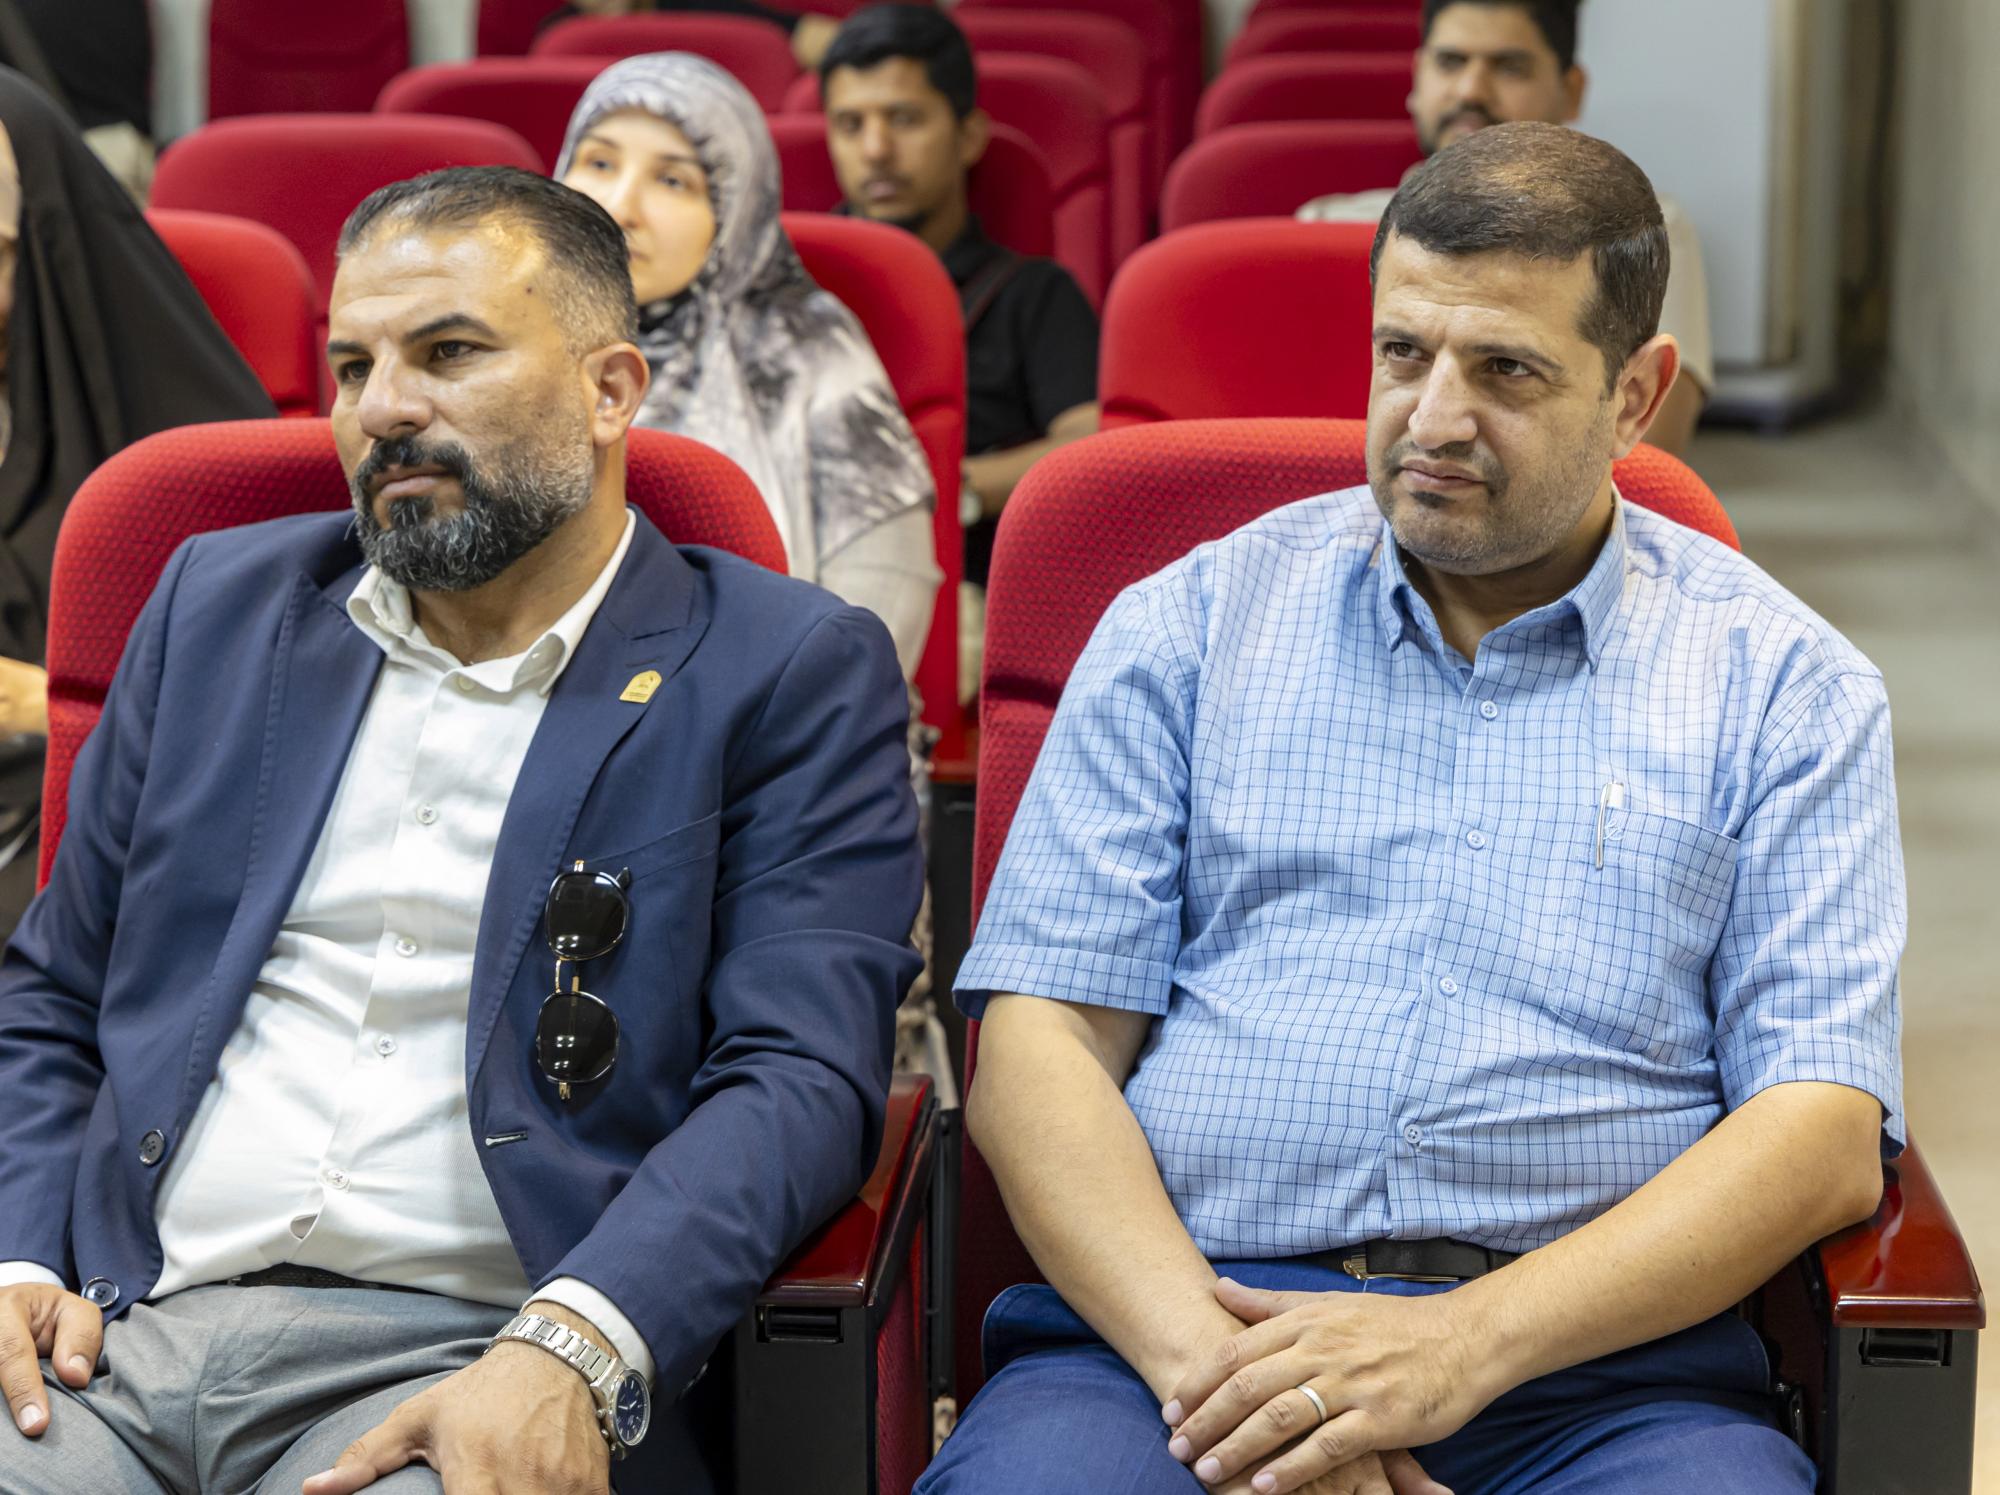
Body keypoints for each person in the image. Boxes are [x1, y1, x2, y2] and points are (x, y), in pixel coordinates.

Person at [928, 123, 1899, 1495]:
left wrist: (1457, 1346)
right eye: (1402, 353)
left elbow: (1819, 1129)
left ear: (1634, 394)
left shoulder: (1786, 685)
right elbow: (1039, 1048)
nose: (1432, 417)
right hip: (1184, 1334)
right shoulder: (1187, 625)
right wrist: (1251, 1397)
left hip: (1599, 1375)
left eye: (1505, 369)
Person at [0, 165, 923, 1494]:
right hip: (118, 1328)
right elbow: (52, 995)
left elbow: (801, 1076)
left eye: (447, 353)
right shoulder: (216, 608)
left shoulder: (780, 666)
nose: (383, 408)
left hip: (471, 1355)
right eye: (351, 365)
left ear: (610, 391)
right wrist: (19, 1255)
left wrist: (572, 1340)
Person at [557, 52, 940, 681]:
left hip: (771, 715)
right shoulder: (503, 336)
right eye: (598, 163)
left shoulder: (808, 346)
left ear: (733, 212)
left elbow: (876, 609)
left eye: (672, 181)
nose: (618, 206)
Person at [0, 68, 272, 929]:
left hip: (98, 834)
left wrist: (51, 706)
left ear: (40, 248)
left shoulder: (181, 456)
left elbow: (265, 704)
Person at [1297, 0, 1714, 457]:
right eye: (1450, 62)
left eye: (1510, 67)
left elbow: (1647, 455)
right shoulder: (1321, 224)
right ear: (1417, 78)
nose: (1470, 90)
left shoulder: (1635, 231)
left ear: (1571, 90)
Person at [820, 3, 1099, 606]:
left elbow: (1091, 443)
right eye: (850, 124)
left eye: (904, 119)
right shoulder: (792, 282)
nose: (875, 149)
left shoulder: (1036, 293)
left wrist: (949, 488)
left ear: (968, 135)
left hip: (973, 589)